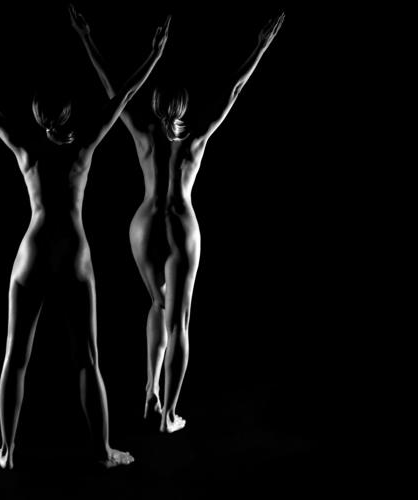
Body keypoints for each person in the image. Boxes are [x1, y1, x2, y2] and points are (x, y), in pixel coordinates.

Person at [0, 15, 169, 468]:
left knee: (16, 356)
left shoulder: (25, 147)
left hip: (33, 250)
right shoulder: (84, 145)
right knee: (88, 360)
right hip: (73, 251)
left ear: (38, 115)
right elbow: (125, 94)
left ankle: (8, 451)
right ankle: (102, 453)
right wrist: (153, 54)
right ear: (68, 112)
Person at [70, 6, 284, 433]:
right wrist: (261, 46)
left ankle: (149, 387)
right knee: (179, 319)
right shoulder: (197, 137)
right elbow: (234, 88)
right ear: (184, 106)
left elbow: (115, 87)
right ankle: (168, 414)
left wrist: (87, 36)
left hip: (145, 223)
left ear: (154, 104)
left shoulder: (143, 132)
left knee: (158, 302)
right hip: (181, 224)